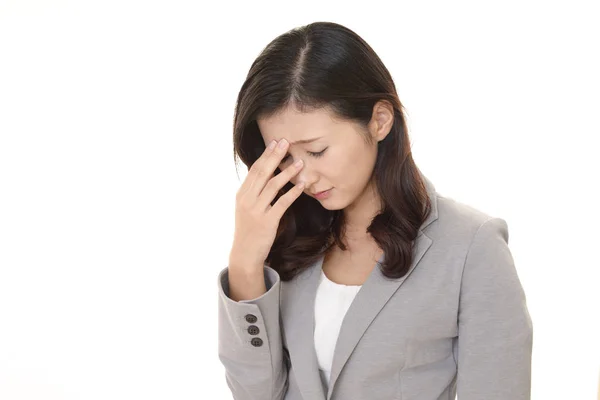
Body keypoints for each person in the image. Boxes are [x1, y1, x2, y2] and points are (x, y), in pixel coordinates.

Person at [217, 21, 533, 400]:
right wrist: (245, 263)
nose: (303, 176)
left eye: (316, 150)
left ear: (380, 120)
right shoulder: (291, 241)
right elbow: (257, 395)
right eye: (284, 157)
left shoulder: (471, 247)